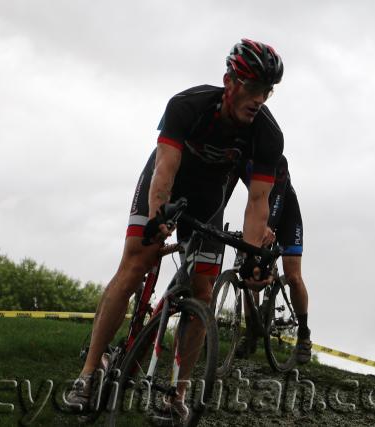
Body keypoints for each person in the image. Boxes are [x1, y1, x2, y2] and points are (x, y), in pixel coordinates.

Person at [67, 39, 285, 420]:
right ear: (229, 81)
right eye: (253, 87)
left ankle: (177, 395)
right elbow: (165, 167)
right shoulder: (188, 106)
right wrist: (158, 216)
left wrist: (252, 258)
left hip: (208, 201)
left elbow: (257, 201)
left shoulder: (267, 134)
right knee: (135, 265)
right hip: (166, 186)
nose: (260, 98)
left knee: (201, 292)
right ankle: (87, 375)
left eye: (267, 90)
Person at [226, 155, 312, 363]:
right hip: (260, 213)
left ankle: (303, 333)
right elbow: (225, 187)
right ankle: (251, 332)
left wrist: (270, 226)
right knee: (249, 271)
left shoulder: (276, 158)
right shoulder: (239, 156)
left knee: (293, 277)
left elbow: (279, 197)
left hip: (287, 217)